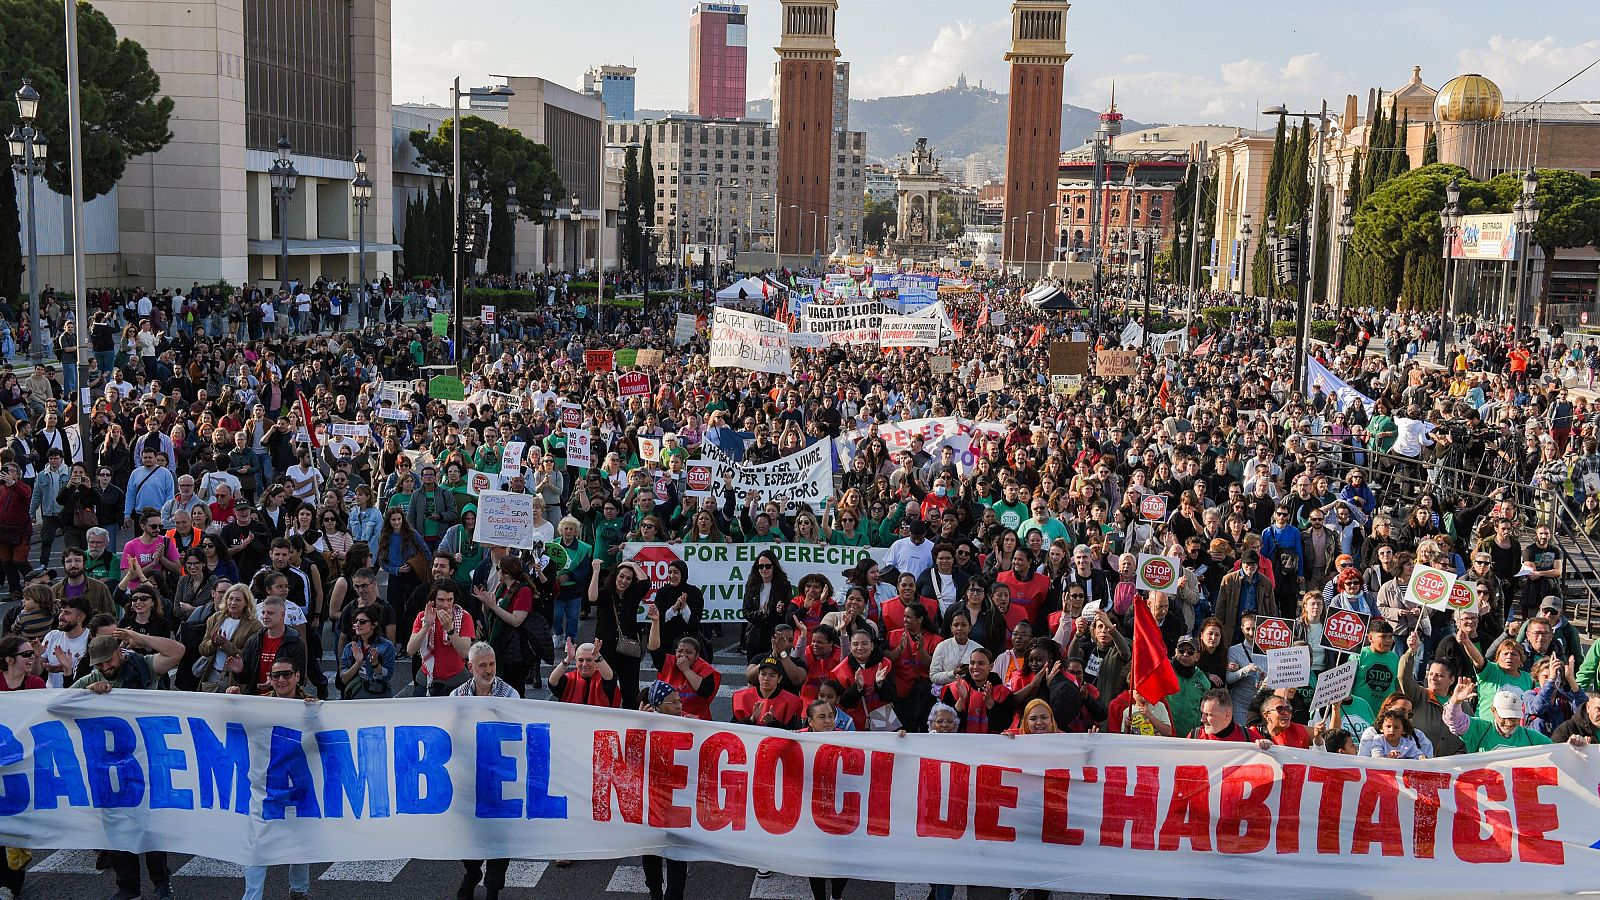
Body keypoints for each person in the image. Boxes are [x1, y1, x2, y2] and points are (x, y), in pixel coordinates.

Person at [70, 629, 184, 900]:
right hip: (110, 768)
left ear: (119, 653)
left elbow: (177, 651)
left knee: (152, 827)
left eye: (108, 661)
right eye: (98, 664)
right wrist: (87, 692)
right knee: (117, 829)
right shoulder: (92, 678)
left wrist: (142, 639)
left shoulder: (143, 666)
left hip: (148, 762)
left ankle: (161, 883)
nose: (104, 668)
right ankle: (128, 888)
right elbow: (57, 703)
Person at [235, 656, 316, 900]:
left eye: (286, 674)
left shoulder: (311, 706)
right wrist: (231, 699)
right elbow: (229, 719)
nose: (281, 680)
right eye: (276, 675)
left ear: (297, 676)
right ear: (269, 679)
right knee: (256, 850)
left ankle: (299, 891)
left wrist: (316, 714)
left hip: (298, 790)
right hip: (265, 790)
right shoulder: (258, 706)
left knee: (300, 847)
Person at [1444, 680, 1554, 752]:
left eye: (1514, 718)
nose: (1509, 723)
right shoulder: (1479, 729)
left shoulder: (1530, 736)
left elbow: (1555, 749)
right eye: (1504, 717)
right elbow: (1454, 721)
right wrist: (1455, 701)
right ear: (1493, 711)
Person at [407, 579, 475, 695]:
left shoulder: (464, 617)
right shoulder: (423, 616)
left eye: (449, 600)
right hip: (427, 680)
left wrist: (450, 629)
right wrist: (426, 625)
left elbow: (464, 652)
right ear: (433, 600)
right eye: (441, 600)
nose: (445, 605)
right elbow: (410, 650)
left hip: (456, 681)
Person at [549, 637, 622, 707]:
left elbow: (610, 678)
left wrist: (597, 656)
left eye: (589, 660)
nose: (584, 664)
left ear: (596, 662)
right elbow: (552, 681)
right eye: (580, 660)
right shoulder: (569, 679)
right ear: (576, 662)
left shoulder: (603, 678)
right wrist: (568, 659)